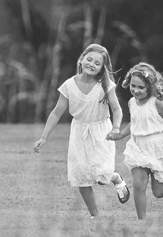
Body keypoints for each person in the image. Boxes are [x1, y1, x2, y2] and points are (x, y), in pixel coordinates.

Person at [34, 44, 130, 221]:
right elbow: (56, 112)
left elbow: (117, 109)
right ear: (81, 59)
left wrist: (116, 127)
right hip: (79, 132)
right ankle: (95, 216)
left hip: (102, 131)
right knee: (81, 177)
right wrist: (43, 137)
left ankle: (115, 178)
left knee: (102, 175)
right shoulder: (69, 85)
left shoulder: (105, 85)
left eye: (97, 63)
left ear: (102, 67)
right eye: (89, 59)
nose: (92, 64)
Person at [118, 64, 163, 221]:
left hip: (158, 148)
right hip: (138, 148)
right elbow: (135, 122)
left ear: (150, 86)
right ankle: (141, 221)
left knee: (159, 192)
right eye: (133, 86)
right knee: (139, 184)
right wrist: (121, 134)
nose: (136, 90)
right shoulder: (131, 102)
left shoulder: (158, 104)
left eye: (141, 87)